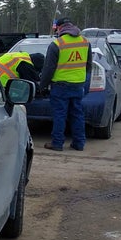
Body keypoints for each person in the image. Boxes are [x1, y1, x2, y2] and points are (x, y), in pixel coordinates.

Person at [38, 18, 92, 151]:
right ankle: (79, 143)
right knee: (77, 114)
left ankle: (57, 143)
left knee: (60, 115)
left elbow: (48, 69)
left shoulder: (57, 44)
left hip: (60, 86)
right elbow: (89, 65)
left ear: (60, 28)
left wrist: (42, 86)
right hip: (78, 85)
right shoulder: (85, 42)